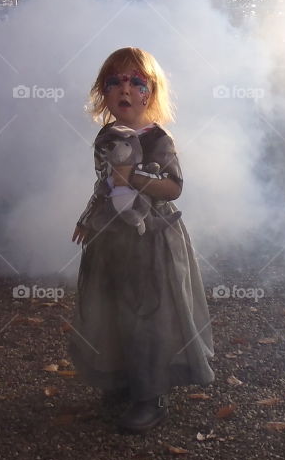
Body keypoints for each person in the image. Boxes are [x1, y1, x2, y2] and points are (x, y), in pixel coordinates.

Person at [70, 48, 215, 432]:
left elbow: (173, 187)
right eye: (114, 81)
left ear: (151, 92)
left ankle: (150, 395)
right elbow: (103, 185)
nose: (125, 89)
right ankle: (121, 378)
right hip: (111, 239)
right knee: (114, 309)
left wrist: (131, 176)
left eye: (137, 81)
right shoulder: (106, 135)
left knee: (146, 316)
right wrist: (88, 218)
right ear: (103, 92)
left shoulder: (157, 139)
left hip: (150, 238)